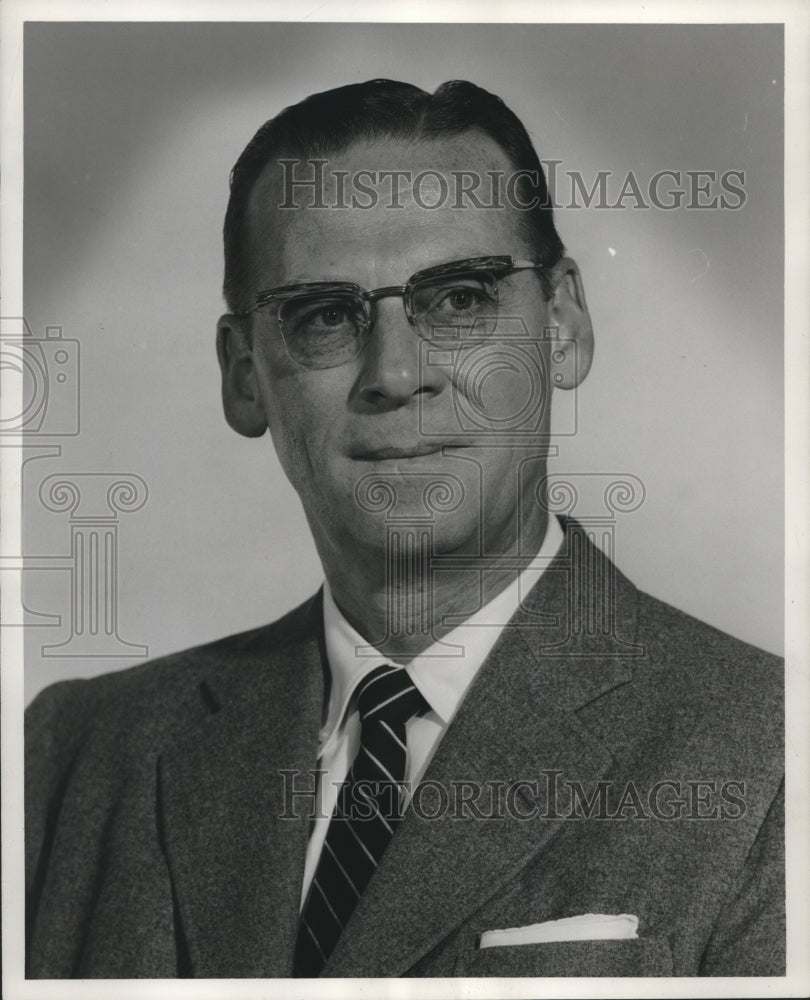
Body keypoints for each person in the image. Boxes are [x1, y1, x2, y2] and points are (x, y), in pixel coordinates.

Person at [25, 79, 784, 979]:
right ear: (243, 377)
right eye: (324, 316)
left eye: (459, 300)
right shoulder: (72, 756)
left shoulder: (769, 753)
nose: (396, 373)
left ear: (565, 324)